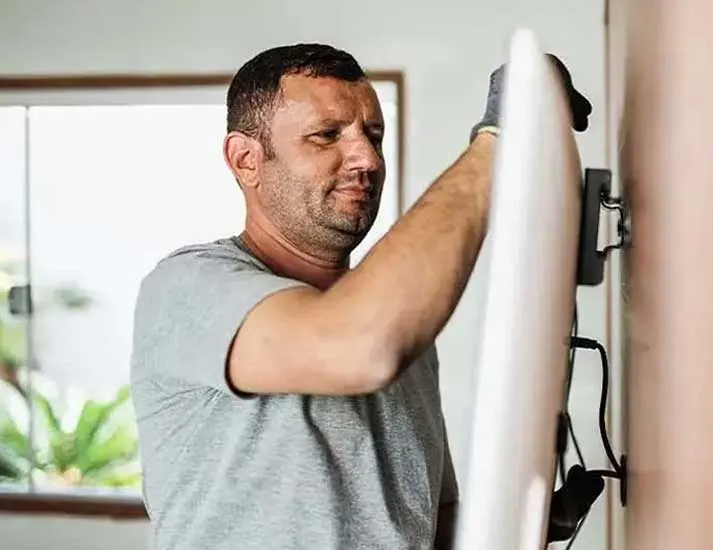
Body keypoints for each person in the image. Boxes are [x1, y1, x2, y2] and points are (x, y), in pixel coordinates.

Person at [129, 42, 593, 550]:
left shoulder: (397, 319)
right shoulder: (186, 288)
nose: (367, 159)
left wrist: (536, 521)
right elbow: (358, 346)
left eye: (374, 135)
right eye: (326, 136)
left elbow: (425, 528)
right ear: (246, 160)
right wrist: (502, 138)